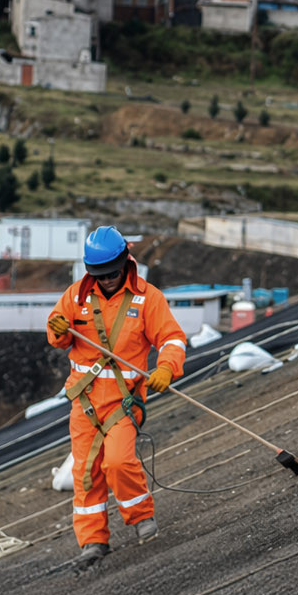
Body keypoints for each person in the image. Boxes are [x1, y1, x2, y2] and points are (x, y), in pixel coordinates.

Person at [46, 225, 186, 570]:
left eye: (111, 273)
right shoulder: (76, 296)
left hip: (124, 402)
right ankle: (93, 540)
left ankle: (141, 519)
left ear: (125, 262)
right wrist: (57, 328)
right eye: (99, 275)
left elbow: (171, 339)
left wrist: (167, 368)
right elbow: (57, 333)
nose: (107, 280)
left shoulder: (147, 298)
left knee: (119, 462)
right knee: (86, 473)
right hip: (85, 402)